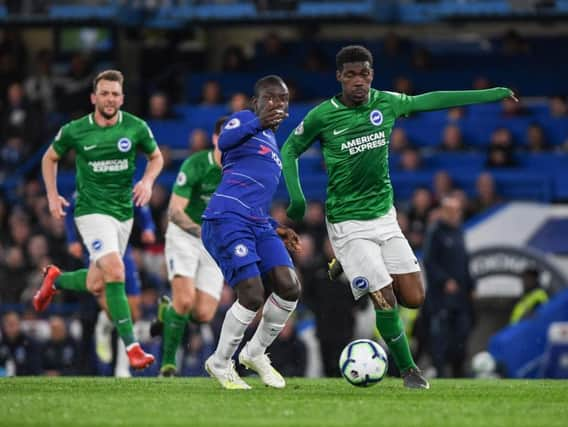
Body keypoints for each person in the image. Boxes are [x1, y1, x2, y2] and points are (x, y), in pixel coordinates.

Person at [281, 45, 516, 389]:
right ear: (339, 77)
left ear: (371, 74)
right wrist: (298, 198)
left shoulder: (386, 102)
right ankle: (409, 371)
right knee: (384, 297)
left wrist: (490, 94)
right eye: (351, 75)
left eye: (364, 74)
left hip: (384, 218)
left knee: (415, 297)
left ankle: (347, 264)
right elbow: (289, 150)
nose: (358, 81)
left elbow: (431, 99)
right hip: (348, 223)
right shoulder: (322, 115)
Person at [34, 69, 164, 370]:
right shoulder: (76, 130)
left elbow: (156, 157)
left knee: (96, 283)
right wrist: (52, 195)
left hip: (123, 215)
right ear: (94, 97)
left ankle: (57, 279)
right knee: (116, 271)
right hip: (91, 212)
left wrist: (147, 182)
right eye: (104, 93)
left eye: (115, 94)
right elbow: (49, 158)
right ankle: (132, 347)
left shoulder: (136, 127)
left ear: (122, 98)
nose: (109, 99)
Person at [201, 75, 302, 390]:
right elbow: (224, 142)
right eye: (270, 98)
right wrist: (256, 121)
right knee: (252, 294)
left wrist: (277, 227)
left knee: (289, 287)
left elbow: (255, 197)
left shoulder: (273, 144)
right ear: (255, 102)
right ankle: (219, 362)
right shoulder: (243, 121)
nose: (277, 104)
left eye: (283, 99)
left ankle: (255, 353)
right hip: (227, 218)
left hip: (258, 223)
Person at [154, 116, 227, 377]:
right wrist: (200, 231)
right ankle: (168, 363)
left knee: (204, 314)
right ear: (216, 139)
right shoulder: (196, 164)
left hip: (214, 242)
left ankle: (167, 310)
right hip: (185, 234)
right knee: (184, 300)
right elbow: (174, 211)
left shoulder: (239, 171)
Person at [64, 191, 157, 376]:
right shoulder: (91, 182)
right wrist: (72, 239)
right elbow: (70, 209)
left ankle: (121, 365)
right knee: (108, 302)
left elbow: (141, 205)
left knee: (134, 312)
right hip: (96, 248)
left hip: (123, 250)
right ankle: (105, 326)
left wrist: (149, 228)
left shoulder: (123, 180)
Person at [423, 196, 475, 378]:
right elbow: (429, 262)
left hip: (460, 297)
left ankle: (459, 370)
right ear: (444, 212)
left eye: (458, 211)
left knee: (461, 333)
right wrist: (444, 280)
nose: (457, 215)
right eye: (453, 211)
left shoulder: (459, 232)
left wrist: (471, 286)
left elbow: (465, 262)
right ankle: (440, 371)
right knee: (441, 336)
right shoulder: (435, 232)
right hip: (441, 298)